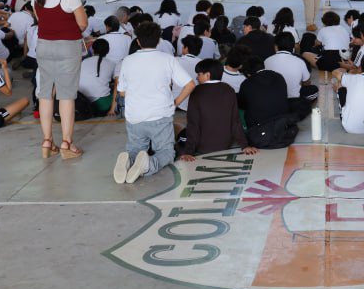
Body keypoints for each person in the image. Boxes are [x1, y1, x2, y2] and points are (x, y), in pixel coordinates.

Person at [114, 22, 196, 185]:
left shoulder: (128, 60)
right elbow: (190, 84)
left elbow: (121, 92)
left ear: (138, 41)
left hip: (135, 116)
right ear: (159, 41)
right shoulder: (167, 59)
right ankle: (148, 165)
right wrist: (175, 102)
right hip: (160, 114)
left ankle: (128, 160)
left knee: (135, 148)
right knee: (166, 152)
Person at [34, 0, 88, 160]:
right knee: (66, 95)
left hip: (43, 47)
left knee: (45, 93)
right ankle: (67, 142)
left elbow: (41, 21)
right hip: (67, 48)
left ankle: (47, 140)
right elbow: (82, 24)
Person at [178, 60, 256, 161]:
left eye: (199, 74)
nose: (197, 77)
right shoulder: (228, 89)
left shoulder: (197, 92)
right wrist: (245, 145)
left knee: (180, 135)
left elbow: (194, 124)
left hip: (203, 147)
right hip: (225, 145)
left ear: (207, 75)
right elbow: (235, 121)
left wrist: (188, 152)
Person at [265, 33, 315, 102]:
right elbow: (307, 82)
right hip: (294, 101)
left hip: (273, 100)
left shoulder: (267, 61)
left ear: (276, 47)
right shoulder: (300, 61)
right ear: (293, 47)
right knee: (314, 89)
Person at [78, 38, 120, 116]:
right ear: (108, 51)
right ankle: (114, 109)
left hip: (82, 102)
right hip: (102, 105)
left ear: (93, 50)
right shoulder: (112, 64)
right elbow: (117, 84)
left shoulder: (84, 62)